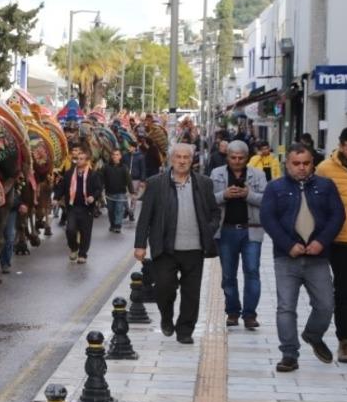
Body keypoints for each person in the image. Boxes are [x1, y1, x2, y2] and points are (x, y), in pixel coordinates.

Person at [261, 143, 344, 372]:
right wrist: (288, 245)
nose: (301, 167)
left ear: (312, 163)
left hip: (318, 257)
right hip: (286, 258)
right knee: (286, 307)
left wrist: (321, 242)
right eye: (296, 163)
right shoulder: (275, 188)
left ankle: (313, 334)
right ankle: (289, 354)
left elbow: (337, 216)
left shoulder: (326, 186)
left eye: (306, 163)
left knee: (326, 305)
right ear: (287, 164)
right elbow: (268, 219)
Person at [134, 144, 220, 344]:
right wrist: (140, 244)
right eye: (178, 157)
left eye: (186, 157)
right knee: (164, 287)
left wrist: (209, 229)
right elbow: (145, 217)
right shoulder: (156, 183)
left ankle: (185, 330)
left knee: (191, 293)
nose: (182, 161)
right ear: (171, 159)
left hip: (195, 248)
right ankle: (166, 317)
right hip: (165, 248)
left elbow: (215, 212)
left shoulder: (204, 183)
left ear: (192, 160)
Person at [210, 140, 268, 330]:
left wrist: (247, 194)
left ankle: (250, 315)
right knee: (228, 275)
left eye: (240, 158)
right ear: (227, 157)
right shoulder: (217, 174)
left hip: (251, 229)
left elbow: (267, 200)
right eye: (233, 157)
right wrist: (224, 195)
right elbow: (208, 200)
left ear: (247, 158)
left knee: (252, 271)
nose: (236, 161)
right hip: (225, 231)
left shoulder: (258, 175)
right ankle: (233, 312)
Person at [316, 126, 347, 363]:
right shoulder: (325, 169)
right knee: (343, 293)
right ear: (341, 146)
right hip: (341, 242)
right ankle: (345, 341)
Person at [55, 149, 102, 263]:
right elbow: (62, 187)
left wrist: (93, 197)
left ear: (87, 161)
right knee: (70, 230)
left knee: (85, 232)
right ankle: (74, 248)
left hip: (86, 208)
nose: (78, 161)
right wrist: (56, 198)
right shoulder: (69, 173)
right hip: (72, 207)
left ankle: (82, 254)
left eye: (81, 159)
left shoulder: (93, 174)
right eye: (77, 159)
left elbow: (98, 189)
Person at [102, 148, 134, 233]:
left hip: (121, 193)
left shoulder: (124, 167)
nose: (115, 156)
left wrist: (132, 191)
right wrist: (100, 188)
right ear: (111, 156)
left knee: (119, 209)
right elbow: (102, 179)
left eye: (117, 155)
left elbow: (129, 180)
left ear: (120, 156)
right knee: (111, 210)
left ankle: (118, 225)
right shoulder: (106, 167)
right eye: (113, 155)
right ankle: (112, 224)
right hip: (109, 193)